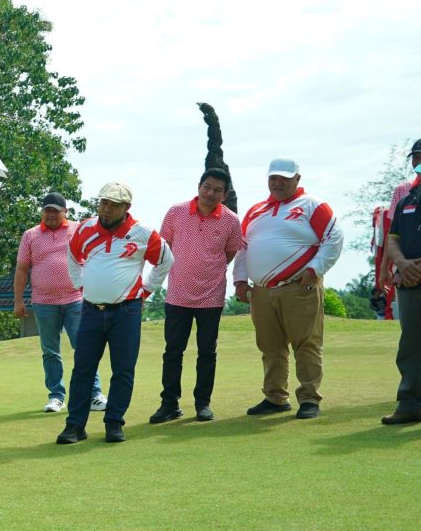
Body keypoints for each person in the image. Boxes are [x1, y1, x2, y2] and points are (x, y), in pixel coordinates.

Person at [56, 182, 173, 444]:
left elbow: (166, 260)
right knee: (83, 369)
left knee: (123, 369)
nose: (106, 210)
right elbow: (73, 257)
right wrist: (81, 285)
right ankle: (75, 425)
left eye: (114, 205)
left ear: (126, 207)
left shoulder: (143, 233)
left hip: (126, 312)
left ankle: (114, 422)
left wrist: (146, 290)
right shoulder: (86, 228)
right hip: (90, 310)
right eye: (103, 203)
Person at [233, 158, 343, 419]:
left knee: (306, 343)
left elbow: (334, 238)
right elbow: (243, 247)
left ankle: (309, 398)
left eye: (284, 178)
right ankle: (275, 397)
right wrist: (240, 279)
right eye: (273, 178)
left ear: (297, 179)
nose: (277, 183)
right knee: (270, 346)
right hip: (261, 290)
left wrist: (315, 270)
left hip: (299, 287)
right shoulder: (256, 210)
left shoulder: (313, 205)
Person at [149, 169, 243, 424]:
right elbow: (164, 247)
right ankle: (169, 404)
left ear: (225, 195)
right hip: (177, 293)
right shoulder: (176, 212)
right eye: (207, 187)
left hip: (211, 295)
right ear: (199, 186)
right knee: (173, 351)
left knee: (207, 351)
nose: (210, 193)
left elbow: (230, 253)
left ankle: (203, 404)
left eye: (217, 190)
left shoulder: (231, 221)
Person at [14, 192, 105, 413]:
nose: (51, 215)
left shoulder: (77, 229)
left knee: (83, 347)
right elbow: (22, 268)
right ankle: (56, 396)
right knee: (50, 351)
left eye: (55, 211)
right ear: (42, 212)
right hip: (43, 302)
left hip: (76, 299)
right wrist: (18, 300)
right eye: (47, 210)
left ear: (65, 211)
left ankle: (94, 394)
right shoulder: (31, 235)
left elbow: (95, 257)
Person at [381, 170, 421, 424]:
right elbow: (393, 238)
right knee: (411, 344)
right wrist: (403, 265)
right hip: (409, 282)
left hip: (412, 274)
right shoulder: (407, 200)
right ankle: (410, 403)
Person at [378, 140, 421, 318]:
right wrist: (386, 267)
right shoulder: (403, 191)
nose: (419, 162)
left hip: (410, 272)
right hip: (406, 275)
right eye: (416, 157)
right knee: (410, 331)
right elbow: (393, 233)